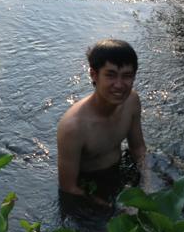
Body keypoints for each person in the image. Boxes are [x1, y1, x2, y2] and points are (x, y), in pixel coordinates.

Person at [57, 39, 149, 209]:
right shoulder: (73, 127)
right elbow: (68, 187)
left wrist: (148, 183)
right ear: (93, 75)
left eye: (127, 76)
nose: (119, 85)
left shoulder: (131, 101)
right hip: (89, 185)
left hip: (120, 169)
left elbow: (137, 148)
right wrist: (108, 208)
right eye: (111, 75)